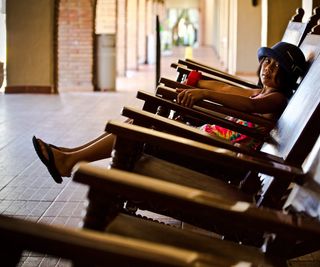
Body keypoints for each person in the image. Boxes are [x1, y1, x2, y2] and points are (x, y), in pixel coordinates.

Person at [32, 42, 306, 184]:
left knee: (141, 129)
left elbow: (251, 107)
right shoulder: (261, 91)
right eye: (266, 61)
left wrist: (206, 94)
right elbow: (226, 88)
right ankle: (69, 155)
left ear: (288, 76)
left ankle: (70, 161)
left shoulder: (275, 100)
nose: (267, 68)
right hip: (209, 138)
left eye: (276, 66)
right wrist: (197, 81)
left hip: (221, 154)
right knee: (138, 122)